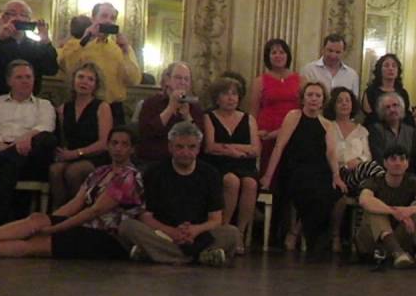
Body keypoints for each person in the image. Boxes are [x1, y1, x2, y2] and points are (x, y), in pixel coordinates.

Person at [0, 126, 143, 259]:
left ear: (132, 149)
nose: (118, 148)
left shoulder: (129, 177)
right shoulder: (101, 172)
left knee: (38, 242)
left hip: (107, 237)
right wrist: (51, 219)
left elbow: (94, 211)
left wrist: (56, 228)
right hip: (86, 226)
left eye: (124, 144)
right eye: (114, 143)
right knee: (38, 219)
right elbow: (75, 203)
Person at [119, 121, 240, 266]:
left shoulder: (210, 174)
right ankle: (196, 257)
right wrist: (172, 232)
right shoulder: (154, 173)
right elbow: (146, 217)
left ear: (198, 149)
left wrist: (195, 230)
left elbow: (215, 219)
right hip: (162, 233)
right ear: (170, 147)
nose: (185, 152)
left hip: (198, 235)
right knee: (127, 227)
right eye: (179, 147)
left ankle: (157, 254)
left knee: (232, 233)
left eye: (191, 147)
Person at [259, 81, 346, 258]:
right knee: (310, 187)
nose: (313, 99)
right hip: (294, 168)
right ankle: (298, 233)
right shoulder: (293, 116)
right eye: (310, 95)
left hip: (319, 169)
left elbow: (331, 153)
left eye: (318, 96)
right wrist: (268, 176)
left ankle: (296, 230)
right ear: (303, 98)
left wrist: (336, 175)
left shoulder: (327, 124)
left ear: (323, 101)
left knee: (333, 192)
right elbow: (279, 146)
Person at [0, 60, 57, 227]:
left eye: (28, 77)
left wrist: (26, 139)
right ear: (9, 81)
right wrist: (9, 150)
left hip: (31, 155)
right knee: (10, 163)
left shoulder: (44, 105)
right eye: (19, 77)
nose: (25, 81)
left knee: (45, 139)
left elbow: (46, 126)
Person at [355, 144, 416, 269]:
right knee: (376, 210)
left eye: (402, 159)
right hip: (372, 240)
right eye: (393, 159)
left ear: (407, 163)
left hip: (399, 236)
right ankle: (397, 252)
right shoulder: (375, 180)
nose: (398, 163)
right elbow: (364, 200)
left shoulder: (412, 182)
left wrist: (409, 211)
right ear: (385, 163)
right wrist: (394, 212)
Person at [202, 75, 260, 253]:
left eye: (234, 94)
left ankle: (240, 234)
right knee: (232, 181)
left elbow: (255, 149)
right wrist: (232, 152)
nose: (231, 98)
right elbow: (210, 146)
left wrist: (231, 148)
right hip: (219, 164)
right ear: (217, 98)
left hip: (244, 163)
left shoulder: (248, 119)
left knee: (250, 183)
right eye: (226, 94)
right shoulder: (209, 117)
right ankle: (225, 230)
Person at [56, 2, 141, 123]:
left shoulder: (120, 48)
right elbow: (66, 67)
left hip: (114, 108)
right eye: (104, 16)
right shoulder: (77, 44)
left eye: (112, 18)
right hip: (85, 106)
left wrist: (126, 51)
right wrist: (85, 40)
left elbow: (134, 80)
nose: (108, 21)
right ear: (93, 19)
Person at [49, 62, 113, 207]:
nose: (84, 81)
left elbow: (104, 143)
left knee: (74, 172)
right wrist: (63, 153)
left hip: (95, 155)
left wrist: (77, 153)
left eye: (90, 79)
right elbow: (63, 137)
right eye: (81, 77)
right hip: (72, 153)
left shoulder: (102, 107)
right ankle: (58, 214)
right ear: (73, 81)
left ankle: (77, 214)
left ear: (96, 85)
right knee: (55, 170)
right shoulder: (64, 108)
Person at [327, 86, 380, 252]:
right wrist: (343, 163)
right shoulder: (328, 126)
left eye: (347, 100)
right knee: (374, 180)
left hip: (359, 172)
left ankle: (361, 238)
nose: (344, 104)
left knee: (368, 181)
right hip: (338, 172)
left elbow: (368, 156)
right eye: (340, 101)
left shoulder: (361, 130)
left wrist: (358, 160)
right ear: (333, 105)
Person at [0, 0, 59, 98]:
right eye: (12, 14)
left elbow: (51, 69)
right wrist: (0, 39)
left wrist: (45, 42)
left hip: (28, 100)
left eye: (23, 15)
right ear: (4, 18)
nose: (18, 18)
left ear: (29, 20)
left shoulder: (36, 46)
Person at [136, 61, 205, 164]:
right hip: (155, 160)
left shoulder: (195, 107)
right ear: (168, 80)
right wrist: (170, 108)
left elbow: (200, 140)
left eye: (186, 79)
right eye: (178, 78)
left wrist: (187, 116)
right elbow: (146, 134)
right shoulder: (151, 103)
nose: (183, 82)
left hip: (186, 161)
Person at [367, 92, 416, 194]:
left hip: (409, 176)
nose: (392, 110)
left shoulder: (410, 131)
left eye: (395, 105)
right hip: (385, 177)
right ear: (382, 112)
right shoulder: (376, 130)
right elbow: (378, 158)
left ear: (401, 108)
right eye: (387, 107)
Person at [250, 38, 301, 169]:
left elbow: (304, 109)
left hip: (293, 132)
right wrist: (255, 135)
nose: (278, 56)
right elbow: (253, 113)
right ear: (268, 57)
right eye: (274, 53)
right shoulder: (260, 81)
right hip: (266, 133)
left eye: (282, 52)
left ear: (288, 55)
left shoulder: (301, 80)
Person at [361, 53, 411, 127]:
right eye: (386, 65)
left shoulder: (403, 93)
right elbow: (369, 117)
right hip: (375, 130)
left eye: (394, 66)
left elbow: (406, 116)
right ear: (380, 69)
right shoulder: (370, 92)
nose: (391, 68)